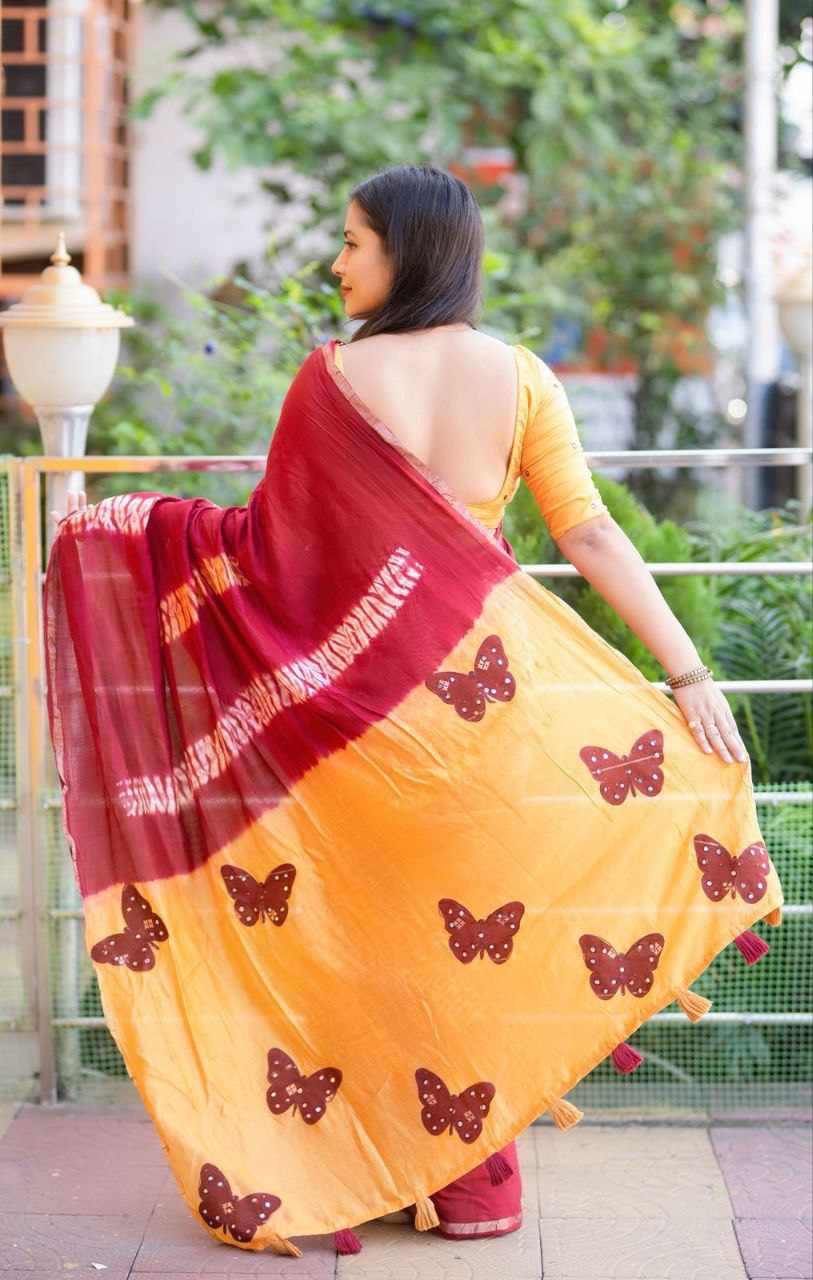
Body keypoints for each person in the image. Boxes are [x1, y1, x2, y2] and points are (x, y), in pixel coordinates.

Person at [47, 164, 779, 1257]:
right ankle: (475, 1187)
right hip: (486, 730)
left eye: (354, 242)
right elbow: (588, 532)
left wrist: (127, 525)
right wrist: (687, 672)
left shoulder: (333, 379)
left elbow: (267, 558)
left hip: (355, 741)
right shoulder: (522, 377)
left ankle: (365, 1170)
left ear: (408, 252)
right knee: (464, 954)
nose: (336, 262)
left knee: (369, 945)